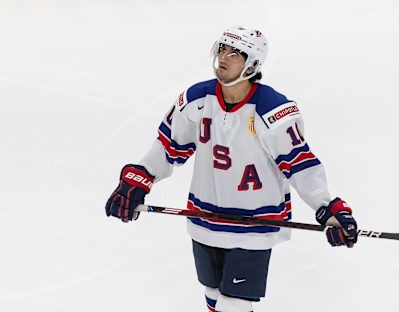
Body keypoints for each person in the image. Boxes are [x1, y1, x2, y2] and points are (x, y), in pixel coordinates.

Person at [106, 25, 358, 312]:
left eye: (236, 53)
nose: (225, 57)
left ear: (252, 64)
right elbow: (168, 147)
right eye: (223, 49)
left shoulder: (273, 110)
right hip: (204, 218)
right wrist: (139, 180)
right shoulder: (196, 100)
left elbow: (300, 165)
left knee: (233, 304)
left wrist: (327, 207)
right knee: (213, 294)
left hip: (254, 224)